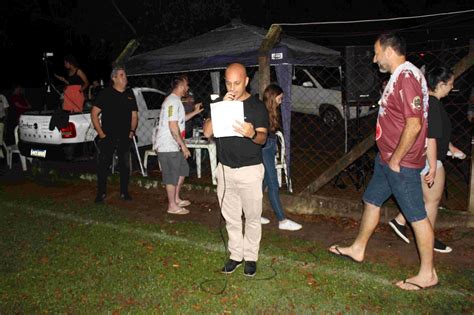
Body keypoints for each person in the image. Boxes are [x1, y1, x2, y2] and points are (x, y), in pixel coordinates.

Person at [328, 33, 438, 291]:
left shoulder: (407, 78)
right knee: (372, 200)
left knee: (416, 217)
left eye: (377, 53)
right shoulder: (400, 76)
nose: (375, 58)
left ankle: (428, 274)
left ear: (390, 51)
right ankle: (357, 248)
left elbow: (414, 124)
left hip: (401, 162)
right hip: (387, 158)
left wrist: (397, 159)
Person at [389, 66, 465, 254]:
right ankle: (427, 239)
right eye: (450, 84)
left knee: (424, 198)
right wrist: (433, 165)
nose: (452, 87)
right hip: (429, 159)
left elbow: (437, 133)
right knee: (432, 201)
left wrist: (451, 148)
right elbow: (431, 136)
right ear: (440, 84)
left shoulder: (425, 102)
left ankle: (399, 221)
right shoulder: (433, 105)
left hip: (423, 157)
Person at [203, 63, 269, 277]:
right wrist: (220, 106)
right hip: (225, 170)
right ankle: (235, 255)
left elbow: (263, 138)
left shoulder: (257, 106)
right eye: (228, 83)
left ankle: (250, 257)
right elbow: (207, 132)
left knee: (251, 217)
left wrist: (251, 133)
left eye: (237, 83)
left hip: (250, 170)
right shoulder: (221, 103)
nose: (232, 87)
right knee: (231, 217)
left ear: (247, 81)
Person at [153, 75, 203, 215]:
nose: (188, 88)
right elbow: (173, 125)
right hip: (167, 144)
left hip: (173, 144)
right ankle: (172, 206)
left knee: (182, 171)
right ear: (181, 86)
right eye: (186, 85)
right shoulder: (172, 102)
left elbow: (180, 120)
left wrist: (195, 112)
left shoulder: (175, 101)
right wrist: (183, 146)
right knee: (171, 175)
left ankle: (175, 199)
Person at [91, 66, 137, 203]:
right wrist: (101, 134)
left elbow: (134, 116)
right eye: (122, 75)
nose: (125, 77)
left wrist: (131, 132)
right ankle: (101, 193)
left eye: (125, 75)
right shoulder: (106, 94)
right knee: (103, 165)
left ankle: (124, 192)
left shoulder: (129, 94)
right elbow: (94, 114)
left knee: (124, 165)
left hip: (124, 136)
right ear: (114, 78)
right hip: (108, 136)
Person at [260, 84, 302, 231]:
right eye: (280, 97)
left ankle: (253, 215)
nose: (281, 100)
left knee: (264, 182)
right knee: (273, 184)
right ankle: (282, 220)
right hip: (264, 149)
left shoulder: (271, 111)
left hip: (269, 147)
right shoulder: (262, 112)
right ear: (273, 96)